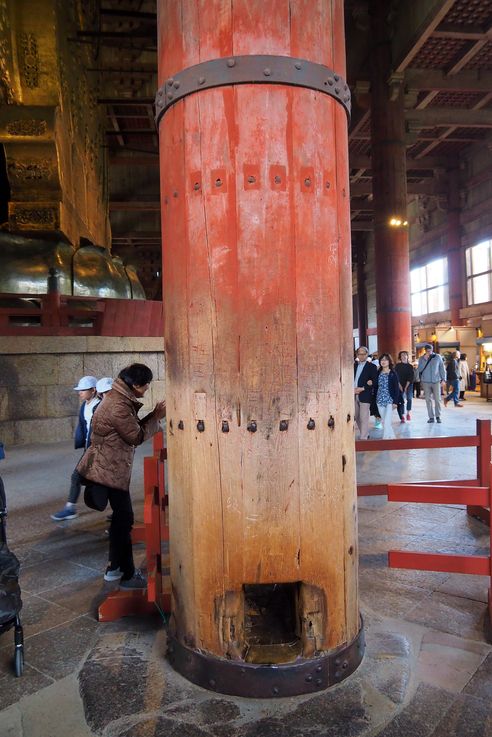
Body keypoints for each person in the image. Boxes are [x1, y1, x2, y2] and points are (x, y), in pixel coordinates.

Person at [77, 363, 166, 589]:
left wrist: (152, 416)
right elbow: (135, 436)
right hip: (109, 469)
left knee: (121, 519)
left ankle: (114, 568)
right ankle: (126, 574)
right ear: (135, 385)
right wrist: (156, 416)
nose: (146, 390)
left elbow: (131, 427)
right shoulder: (117, 404)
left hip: (110, 467)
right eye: (145, 386)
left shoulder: (119, 397)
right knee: (123, 519)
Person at [51, 376, 100, 521]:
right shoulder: (85, 406)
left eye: (83, 390)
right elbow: (84, 427)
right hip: (89, 449)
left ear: (93, 390)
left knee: (78, 477)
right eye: (79, 390)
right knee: (85, 479)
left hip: (98, 450)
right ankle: (70, 508)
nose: (80, 393)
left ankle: (70, 509)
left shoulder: (100, 406)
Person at [417, 344, 446, 423]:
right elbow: (419, 369)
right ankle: (431, 417)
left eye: (430, 350)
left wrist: (443, 379)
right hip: (426, 381)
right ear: (425, 350)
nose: (429, 352)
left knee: (437, 399)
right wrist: (425, 360)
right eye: (427, 351)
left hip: (436, 381)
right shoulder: (421, 358)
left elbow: (442, 368)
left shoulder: (438, 357)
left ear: (432, 350)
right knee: (428, 400)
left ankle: (438, 416)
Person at [374, 353, 400, 439]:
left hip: (390, 399)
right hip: (379, 399)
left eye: (385, 359)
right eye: (382, 360)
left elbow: (396, 389)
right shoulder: (378, 372)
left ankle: (385, 439)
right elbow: (375, 385)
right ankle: (392, 438)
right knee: (385, 420)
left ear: (389, 361)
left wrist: (395, 402)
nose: (383, 361)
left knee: (387, 421)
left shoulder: (393, 373)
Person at [354, 346, 378, 440]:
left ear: (367, 354)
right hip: (352, 393)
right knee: (356, 416)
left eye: (364, 354)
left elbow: (374, 382)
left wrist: (363, 388)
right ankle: (365, 433)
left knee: (364, 417)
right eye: (359, 353)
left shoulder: (372, 367)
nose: (361, 355)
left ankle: (363, 437)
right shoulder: (354, 366)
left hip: (365, 394)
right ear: (357, 354)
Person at [394, 351, 414, 422]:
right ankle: (402, 416)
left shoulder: (410, 366)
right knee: (400, 401)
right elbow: (396, 377)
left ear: (407, 356)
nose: (404, 356)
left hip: (409, 385)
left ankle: (408, 413)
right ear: (400, 357)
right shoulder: (397, 366)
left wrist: (405, 387)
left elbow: (410, 377)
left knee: (409, 398)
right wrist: (399, 385)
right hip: (399, 385)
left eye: (405, 355)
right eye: (402, 355)